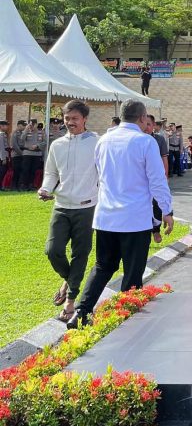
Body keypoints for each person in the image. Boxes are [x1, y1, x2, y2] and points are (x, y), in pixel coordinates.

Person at [66, 99, 174, 330]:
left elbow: (98, 175)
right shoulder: (145, 142)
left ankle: (81, 311)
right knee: (133, 272)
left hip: (106, 216)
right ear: (143, 118)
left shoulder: (103, 140)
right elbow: (157, 181)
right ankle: (124, 321)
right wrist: (166, 210)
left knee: (103, 266)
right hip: (135, 218)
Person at [38, 101, 99, 323]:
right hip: (61, 207)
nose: (70, 122)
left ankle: (70, 302)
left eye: (74, 118)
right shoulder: (57, 145)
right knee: (52, 250)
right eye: (67, 118)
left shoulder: (96, 143)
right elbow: (52, 173)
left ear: (84, 119)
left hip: (87, 207)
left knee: (80, 254)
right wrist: (46, 188)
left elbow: (103, 173)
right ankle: (69, 279)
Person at [145, 114, 169, 245]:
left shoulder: (159, 140)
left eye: (149, 124)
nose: (146, 127)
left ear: (154, 126)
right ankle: (147, 230)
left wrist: (165, 176)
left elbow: (164, 158)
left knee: (157, 202)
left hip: (156, 177)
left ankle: (156, 230)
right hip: (143, 180)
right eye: (145, 124)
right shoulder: (138, 140)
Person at [20, 118, 46, 190]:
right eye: (30, 125)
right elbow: (22, 139)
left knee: (33, 170)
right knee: (25, 169)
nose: (31, 126)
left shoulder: (41, 132)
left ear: (36, 124)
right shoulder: (26, 132)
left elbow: (44, 142)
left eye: (33, 125)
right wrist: (26, 129)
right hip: (27, 153)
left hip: (37, 154)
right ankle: (23, 185)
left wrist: (37, 145)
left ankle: (31, 184)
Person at [10, 120, 26, 190]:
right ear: (19, 125)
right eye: (24, 125)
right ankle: (13, 186)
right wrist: (21, 153)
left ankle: (19, 185)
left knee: (21, 171)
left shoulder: (23, 133)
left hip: (22, 154)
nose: (25, 127)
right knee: (16, 171)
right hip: (16, 155)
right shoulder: (14, 133)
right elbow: (14, 145)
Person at [0, 120, 8, 189]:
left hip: (4, 155)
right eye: (6, 125)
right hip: (2, 157)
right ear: (1, 126)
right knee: (2, 171)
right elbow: (1, 147)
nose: (7, 127)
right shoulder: (1, 134)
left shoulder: (3, 134)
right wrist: (3, 158)